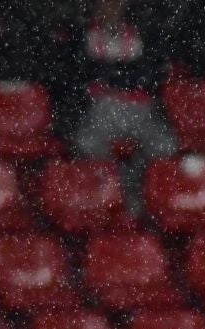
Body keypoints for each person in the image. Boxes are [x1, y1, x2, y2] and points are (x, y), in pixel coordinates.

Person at [70, 0, 177, 212]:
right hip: (101, 109)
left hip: (141, 109)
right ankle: (111, 196)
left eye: (116, 4)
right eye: (105, 4)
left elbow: (152, 73)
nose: (110, 8)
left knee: (166, 145)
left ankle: (136, 193)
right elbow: (79, 75)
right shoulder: (82, 35)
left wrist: (111, 74)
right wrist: (124, 74)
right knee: (86, 143)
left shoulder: (143, 33)